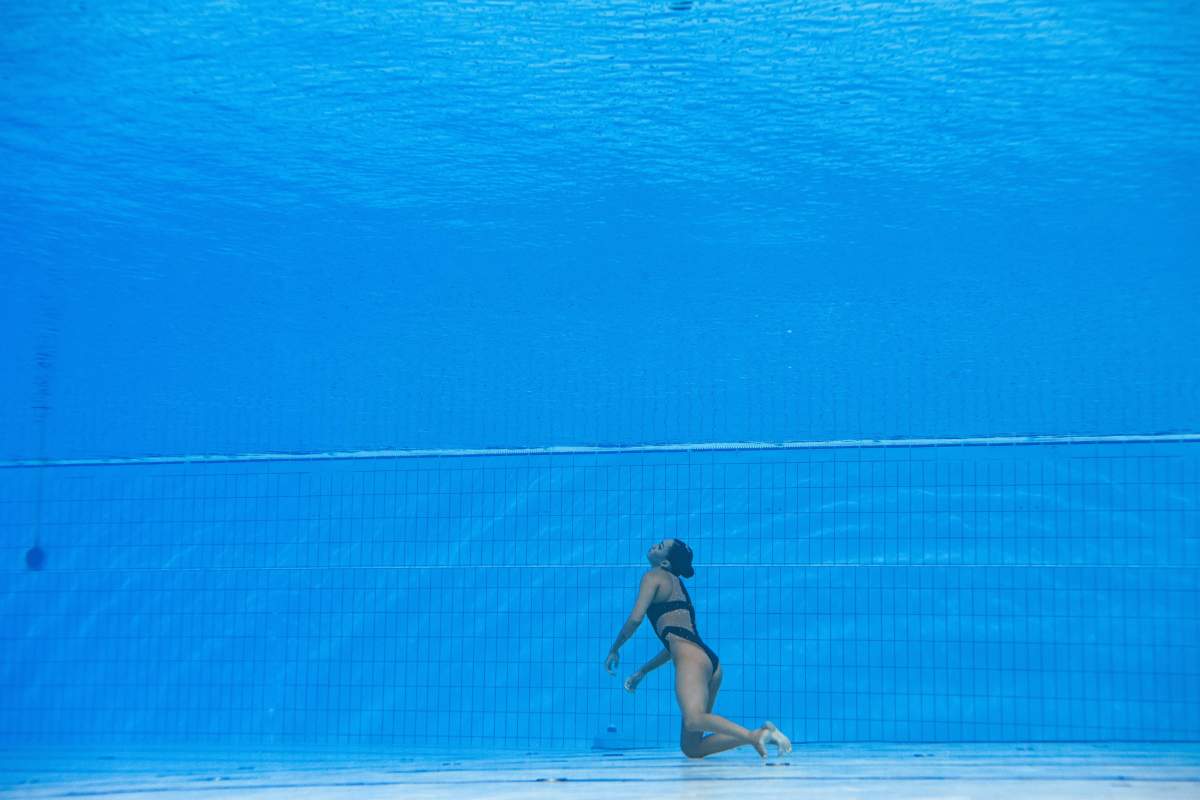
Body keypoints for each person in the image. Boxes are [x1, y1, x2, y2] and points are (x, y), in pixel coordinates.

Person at [605, 538, 792, 759]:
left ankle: (757, 735)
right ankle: (759, 735)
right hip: (709, 662)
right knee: (692, 748)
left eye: (661, 547)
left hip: (692, 659)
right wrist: (644, 671)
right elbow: (675, 644)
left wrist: (615, 648)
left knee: (694, 719)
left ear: (665, 563)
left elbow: (636, 618)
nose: (655, 546)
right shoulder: (677, 587)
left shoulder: (652, 576)